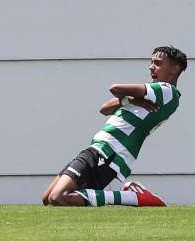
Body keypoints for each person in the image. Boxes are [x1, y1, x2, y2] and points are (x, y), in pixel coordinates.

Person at [42, 46, 187, 207]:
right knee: (47, 198)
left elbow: (115, 88)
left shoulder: (166, 91)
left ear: (174, 68)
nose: (151, 67)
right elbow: (104, 108)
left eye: (158, 63)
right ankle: (130, 197)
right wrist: (130, 100)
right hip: (100, 149)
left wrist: (129, 97)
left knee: (58, 197)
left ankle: (133, 197)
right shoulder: (149, 95)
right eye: (151, 62)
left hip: (109, 152)